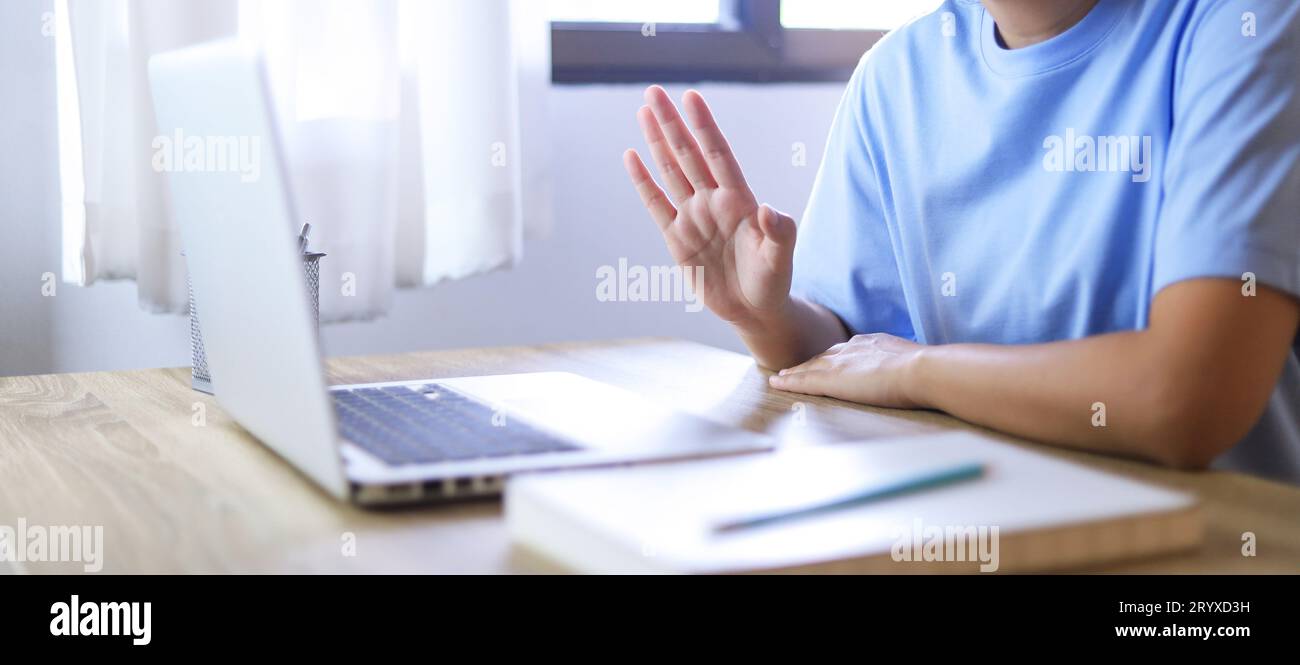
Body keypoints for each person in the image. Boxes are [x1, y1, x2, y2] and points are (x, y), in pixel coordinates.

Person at [622, 0, 1300, 483]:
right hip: (995, 518)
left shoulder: (1244, 26)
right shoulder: (897, 75)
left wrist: (921, 371)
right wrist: (765, 316)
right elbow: (847, 355)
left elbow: (1184, 400)